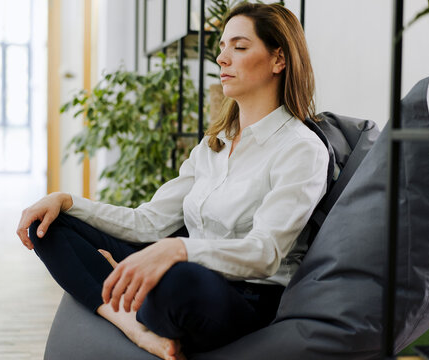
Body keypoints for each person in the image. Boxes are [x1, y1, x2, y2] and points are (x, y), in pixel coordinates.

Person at [17, 3, 329, 360]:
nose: (223, 58)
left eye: (239, 47)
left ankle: (131, 288)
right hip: (183, 267)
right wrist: (68, 200)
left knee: (177, 283)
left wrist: (177, 251)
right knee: (51, 226)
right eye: (222, 47)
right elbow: (148, 222)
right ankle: (134, 327)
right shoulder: (214, 144)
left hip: (243, 296)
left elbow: (266, 253)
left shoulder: (301, 149)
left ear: (279, 60)